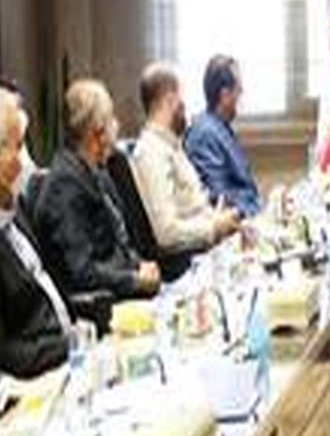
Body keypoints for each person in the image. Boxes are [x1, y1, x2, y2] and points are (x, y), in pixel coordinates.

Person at [34, 80, 161, 301]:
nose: (117, 125)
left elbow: (117, 244)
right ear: (97, 132)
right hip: (102, 305)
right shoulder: (64, 187)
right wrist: (133, 279)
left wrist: (139, 265)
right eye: (112, 118)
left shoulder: (98, 173)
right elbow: (81, 271)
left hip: (124, 289)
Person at [0, 87, 74, 416]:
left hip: (70, 359)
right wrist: (69, 345)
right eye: (19, 146)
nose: (28, 160)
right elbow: (2, 353)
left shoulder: (17, 209)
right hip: (37, 387)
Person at [133, 63, 240, 251]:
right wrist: (214, 227)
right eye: (181, 100)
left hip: (205, 244)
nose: (185, 107)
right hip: (189, 258)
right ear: (170, 101)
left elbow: (192, 207)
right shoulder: (151, 152)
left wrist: (218, 218)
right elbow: (166, 232)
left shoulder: (171, 145)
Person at [185, 55, 261, 216]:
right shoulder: (204, 136)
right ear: (225, 95)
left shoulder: (220, 128)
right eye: (239, 90)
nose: (241, 96)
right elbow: (220, 200)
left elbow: (242, 187)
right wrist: (258, 210)